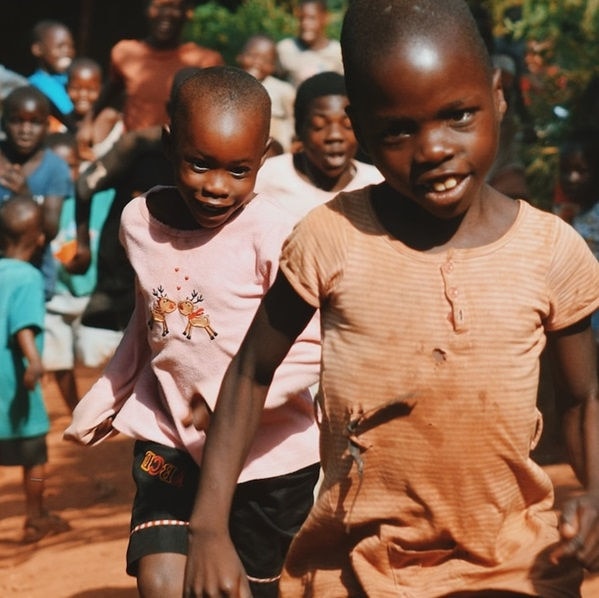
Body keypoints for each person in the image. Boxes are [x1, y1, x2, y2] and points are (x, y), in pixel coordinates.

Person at [182, 1, 599, 596]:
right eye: (399, 129)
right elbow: (251, 372)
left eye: (458, 114)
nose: (432, 148)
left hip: (517, 562)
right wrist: (207, 528)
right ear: (361, 128)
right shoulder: (330, 238)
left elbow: (584, 399)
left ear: (498, 94)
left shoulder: (551, 251)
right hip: (361, 568)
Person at [64, 65, 321, 597]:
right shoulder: (139, 222)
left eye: (237, 170)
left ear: (264, 158)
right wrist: (110, 393)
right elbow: (148, 320)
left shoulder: (272, 235)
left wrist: (228, 400)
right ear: (169, 144)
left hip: (267, 456)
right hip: (171, 435)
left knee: (236, 588)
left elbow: (313, 342)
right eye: (199, 164)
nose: (215, 188)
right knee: (161, 579)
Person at [0, 195, 71, 543]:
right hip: (16, 381)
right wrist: (36, 362)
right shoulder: (27, 277)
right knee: (35, 457)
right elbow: (22, 326)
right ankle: (34, 515)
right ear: (40, 238)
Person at [76, 0, 223, 155]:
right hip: (131, 155)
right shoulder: (124, 53)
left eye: (174, 7)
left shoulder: (206, 61)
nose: (165, 14)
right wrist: (88, 124)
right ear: (147, 9)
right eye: (159, 6)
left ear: (188, 12)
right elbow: (110, 91)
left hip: (178, 157)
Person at [44, 132, 115, 411]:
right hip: (56, 296)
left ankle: (106, 408)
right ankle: (76, 409)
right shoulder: (39, 202)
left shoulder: (99, 197)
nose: (65, 174)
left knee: (99, 354)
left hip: (93, 293)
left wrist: (95, 159)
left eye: (71, 166)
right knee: (56, 357)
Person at [255, 71, 382, 220]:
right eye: (319, 125)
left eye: (347, 125)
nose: (335, 136)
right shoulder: (266, 178)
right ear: (300, 129)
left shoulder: (378, 184)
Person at [0, 85, 72, 302]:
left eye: (35, 122)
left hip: (34, 277)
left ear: (47, 125)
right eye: (17, 121)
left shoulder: (55, 167)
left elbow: (50, 229)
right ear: (4, 122)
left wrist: (25, 194)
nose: (25, 130)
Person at [237, 34, 296, 152]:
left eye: (266, 60)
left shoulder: (284, 90)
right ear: (240, 57)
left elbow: (293, 120)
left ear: (273, 66)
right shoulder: (231, 85)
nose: (257, 62)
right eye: (253, 56)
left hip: (276, 152)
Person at [66, 57, 124, 165]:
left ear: (101, 91)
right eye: (76, 88)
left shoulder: (110, 120)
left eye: (91, 90)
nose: (83, 95)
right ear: (66, 88)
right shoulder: (60, 124)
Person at [276, 0, 343, 88]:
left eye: (312, 18)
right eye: (301, 18)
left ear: (325, 18)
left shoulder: (337, 52)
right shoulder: (285, 49)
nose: (305, 23)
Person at [28, 19, 77, 134]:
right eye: (60, 46)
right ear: (38, 49)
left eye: (71, 47)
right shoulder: (34, 86)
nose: (67, 52)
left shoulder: (73, 81)